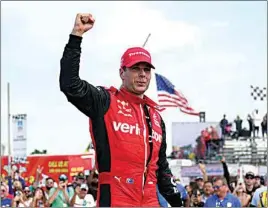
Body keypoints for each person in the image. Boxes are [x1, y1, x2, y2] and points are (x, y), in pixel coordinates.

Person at [59, 13, 182, 207]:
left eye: (146, 70)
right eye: (135, 68)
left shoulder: (156, 116)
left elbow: (161, 167)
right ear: (122, 73)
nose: (142, 75)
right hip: (117, 199)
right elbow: (70, 84)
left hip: (150, 201)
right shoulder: (105, 100)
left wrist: (177, 201)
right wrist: (76, 36)